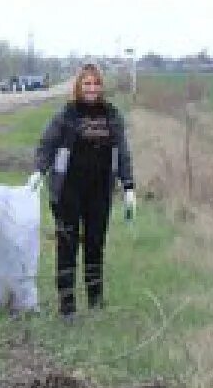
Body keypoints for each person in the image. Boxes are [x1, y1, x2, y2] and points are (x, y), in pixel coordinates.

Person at [33, 61, 136, 319]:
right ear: (78, 86)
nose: (91, 88)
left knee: (95, 244)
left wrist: (128, 186)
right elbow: (46, 144)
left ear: (102, 87)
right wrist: (38, 171)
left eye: (96, 83)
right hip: (68, 189)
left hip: (100, 189)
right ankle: (67, 306)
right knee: (67, 246)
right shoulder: (66, 114)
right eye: (86, 83)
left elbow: (123, 153)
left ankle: (95, 300)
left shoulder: (112, 116)